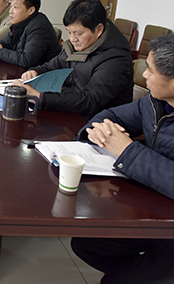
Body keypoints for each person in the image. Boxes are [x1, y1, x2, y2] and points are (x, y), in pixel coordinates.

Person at [71, 34, 174, 283]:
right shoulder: (155, 102)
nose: (144, 74)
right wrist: (97, 131)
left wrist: (126, 150)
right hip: (153, 209)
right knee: (86, 244)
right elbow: (111, 115)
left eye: (150, 70)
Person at [12, 0, 133, 120]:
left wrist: (39, 97)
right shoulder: (80, 45)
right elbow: (53, 65)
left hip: (99, 121)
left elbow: (92, 100)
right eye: (69, 32)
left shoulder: (116, 58)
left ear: (99, 29)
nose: (72, 39)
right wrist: (35, 72)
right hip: (72, 109)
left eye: (78, 33)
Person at [0, 0, 61, 69]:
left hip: (41, 74)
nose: (10, 11)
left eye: (15, 7)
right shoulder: (20, 23)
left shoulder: (39, 27)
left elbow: (27, 60)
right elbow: (4, 42)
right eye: (11, 7)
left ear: (31, 10)